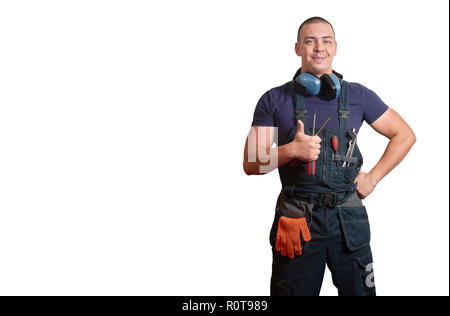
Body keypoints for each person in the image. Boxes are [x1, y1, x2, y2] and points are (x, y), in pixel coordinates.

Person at [242, 17, 416, 296]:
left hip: (348, 219)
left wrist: (373, 177)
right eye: (310, 41)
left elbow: (405, 135)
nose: (318, 48)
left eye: (326, 41)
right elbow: (251, 163)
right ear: (298, 48)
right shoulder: (274, 99)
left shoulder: (359, 96)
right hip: (297, 219)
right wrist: (290, 151)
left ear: (335, 48)